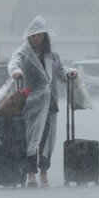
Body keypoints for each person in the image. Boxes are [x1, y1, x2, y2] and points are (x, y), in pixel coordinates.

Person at [7, 15, 77, 188]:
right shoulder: (24, 53)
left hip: (50, 102)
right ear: (28, 37)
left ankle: (44, 172)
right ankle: (31, 174)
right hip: (32, 103)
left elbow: (60, 71)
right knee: (32, 138)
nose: (36, 39)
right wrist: (16, 71)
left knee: (47, 140)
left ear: (45, 36)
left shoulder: (51, 55)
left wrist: (70, 73)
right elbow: (14, 62)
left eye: (39, 35)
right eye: (33, 36)